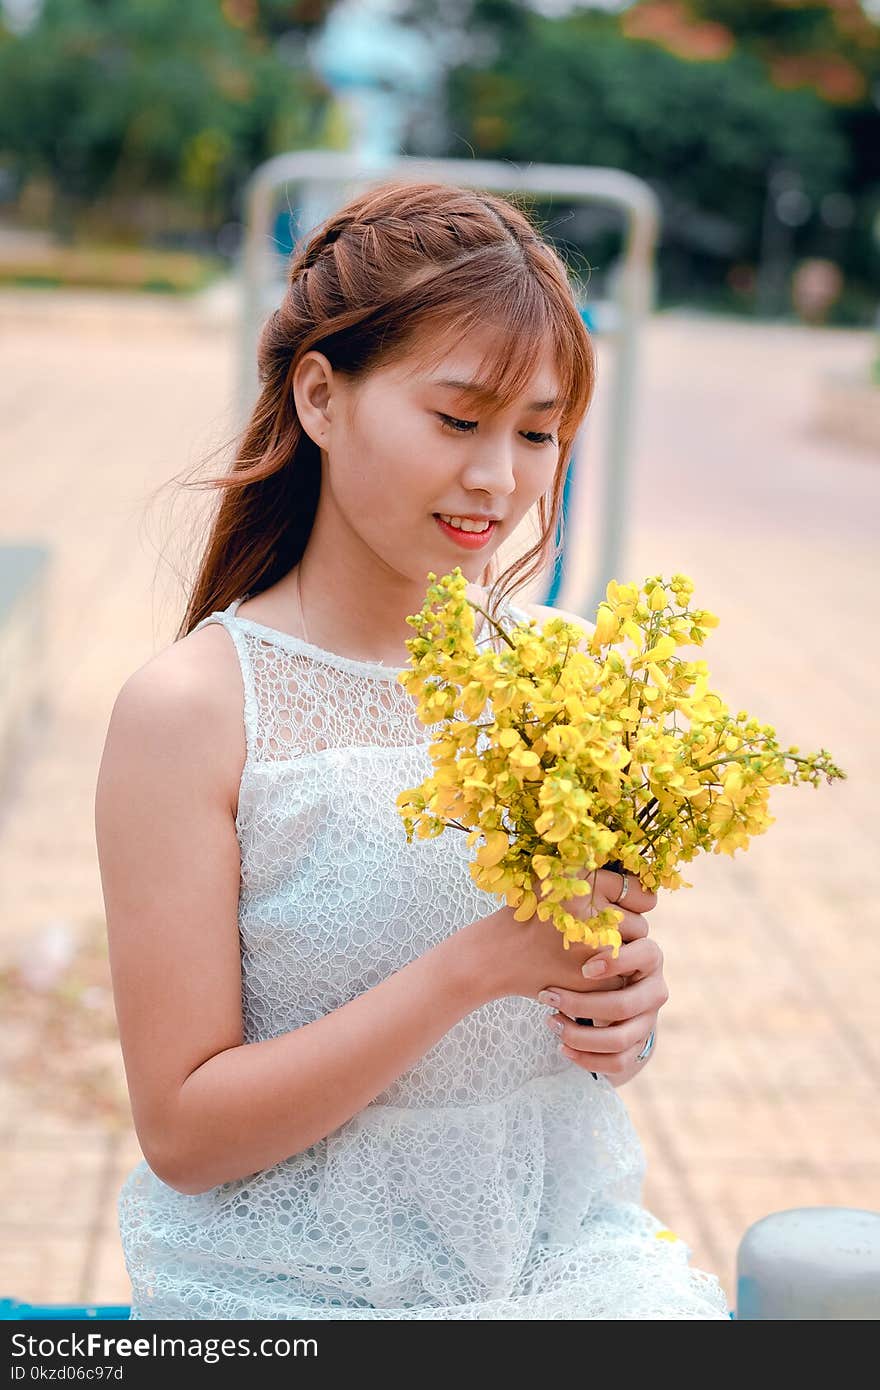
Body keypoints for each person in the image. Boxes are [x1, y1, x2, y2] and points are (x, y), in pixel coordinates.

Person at [94, 179, 731, 1320]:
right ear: (320, 397)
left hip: (559, 1254)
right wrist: (475, 967)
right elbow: (185, 1133)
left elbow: (566, 1025)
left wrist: (620, 1015)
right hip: (286, 1284)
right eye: (457, 419)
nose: (499, 478)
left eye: (537, 433)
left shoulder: (568, 676)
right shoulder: (193, 708)